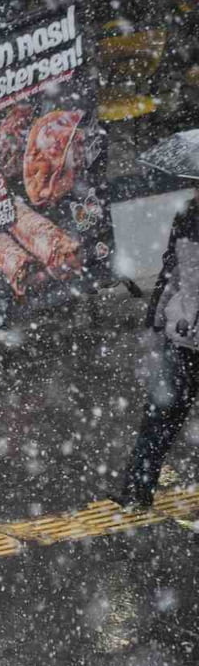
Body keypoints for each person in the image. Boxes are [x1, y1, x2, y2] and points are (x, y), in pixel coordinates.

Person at [115, 194, 199, 509]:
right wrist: (154, 322)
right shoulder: (189, 215)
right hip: (181, 336)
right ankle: (137, 491)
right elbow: (171, 272)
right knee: (159, 417)